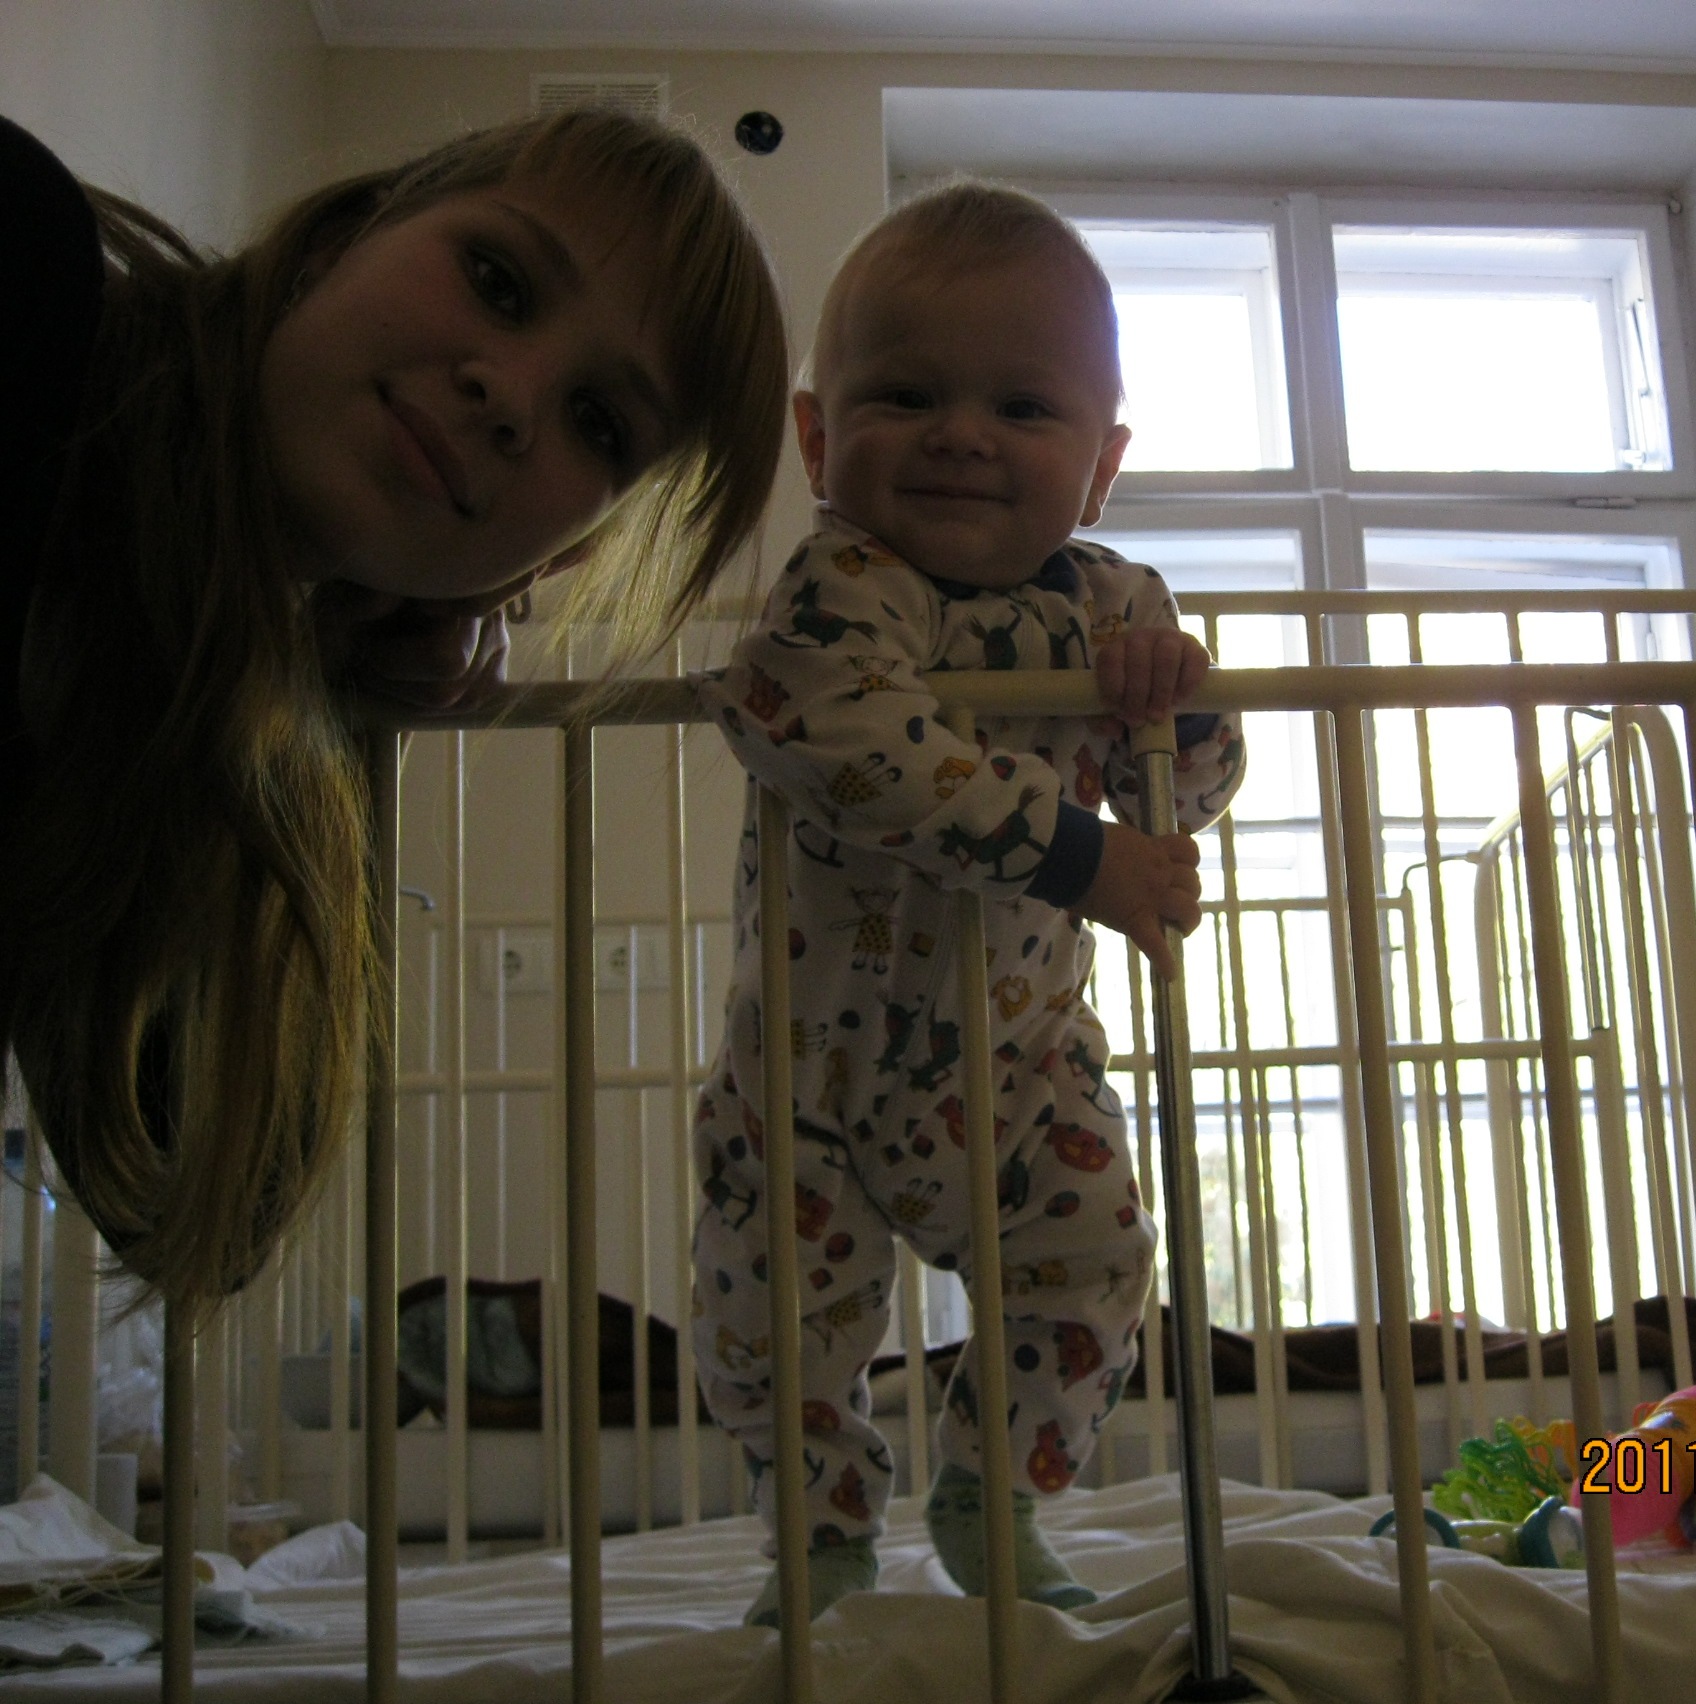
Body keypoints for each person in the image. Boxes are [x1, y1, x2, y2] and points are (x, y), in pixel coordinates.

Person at [0, 109, 789, 1314]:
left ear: (557, 558)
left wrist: (329, 693)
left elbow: (208, 1198)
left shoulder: (226, 678)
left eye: (598, 423)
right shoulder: (28, 266)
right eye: (497, 280)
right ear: (341, 240)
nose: (511, 394)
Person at [690, 183, 1244, 1624]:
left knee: (1098, 1260)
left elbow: (1184, 792)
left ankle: (994, 1495)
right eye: (906, 395)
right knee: (775, 1323)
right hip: (803, 1075)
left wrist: (1175, 708)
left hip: (1019, 1065)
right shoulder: (841, 587)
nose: (960, 434)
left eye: (1022, 407)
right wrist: (1082, 860)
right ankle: (819, 1537)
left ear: (1101, 466)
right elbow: (838, 732)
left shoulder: (1115, 603)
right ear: (820, 438)